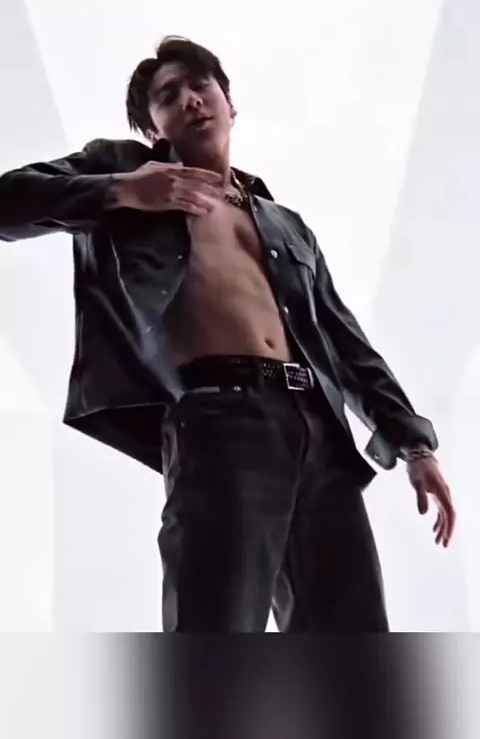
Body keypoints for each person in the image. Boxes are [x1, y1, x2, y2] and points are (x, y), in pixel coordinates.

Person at [0, 36, 455, 632]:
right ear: (153, 129)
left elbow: (344, 342)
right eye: (168, 96)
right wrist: (121, 190)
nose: (190, 100)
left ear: (230, 103)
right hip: (221, 421)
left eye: (201, 85)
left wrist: (414, 445)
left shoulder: (285, 224)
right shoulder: (126, 173)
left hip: (319, 431)